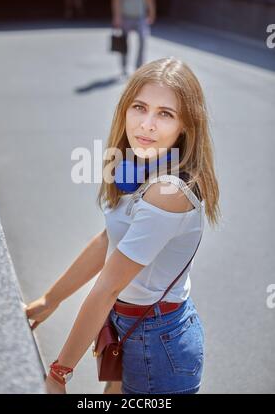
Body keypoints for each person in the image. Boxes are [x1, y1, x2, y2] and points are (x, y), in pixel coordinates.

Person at [24, 57, 221, 394]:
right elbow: (107, 240)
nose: (146, 124)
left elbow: (107, 289)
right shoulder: (138, 164)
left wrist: (59, 373)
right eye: (139, 107)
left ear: (186, 125)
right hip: (128, 325)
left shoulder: (168, 191)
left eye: (165, 114)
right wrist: (48, 301)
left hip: (158, 341)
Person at [111, 0, 156, 77]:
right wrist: (117, 17)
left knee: (143, 39)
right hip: (126, 16)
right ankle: (124, 67)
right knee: (124, 43)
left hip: (140, 16)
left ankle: (139, 67)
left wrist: (152, 12)